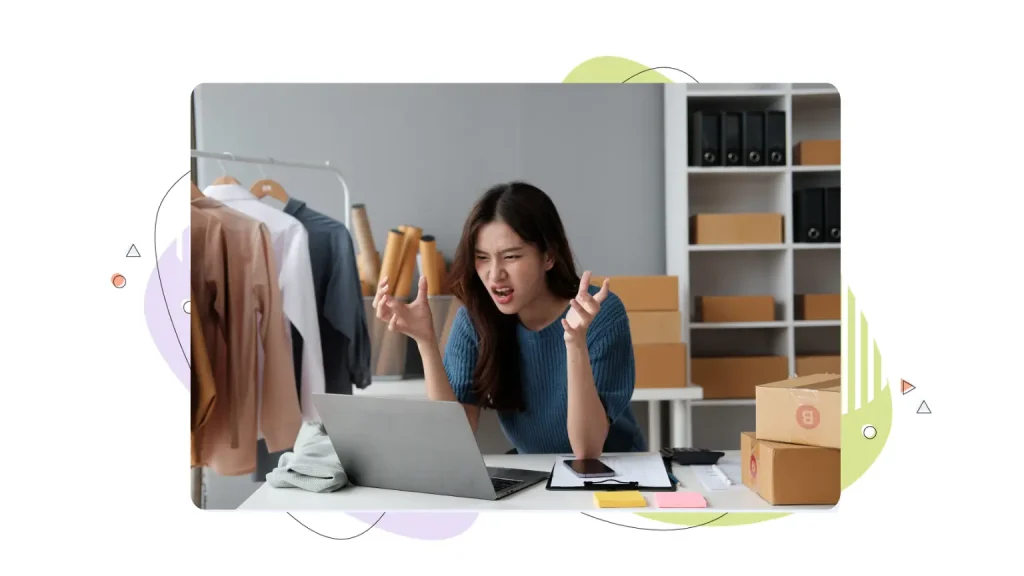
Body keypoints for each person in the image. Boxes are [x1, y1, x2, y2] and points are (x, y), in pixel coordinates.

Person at [371, 181, 646, 458]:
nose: (494, 274)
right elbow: (455, 436)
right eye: (482, 258)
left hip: (614, 474)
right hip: (536, 475)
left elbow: (587, 452)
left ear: (549, 255)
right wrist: (425, 341)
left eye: (511, 257)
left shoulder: (598, 312)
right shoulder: (476, 317)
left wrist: (575, 343)